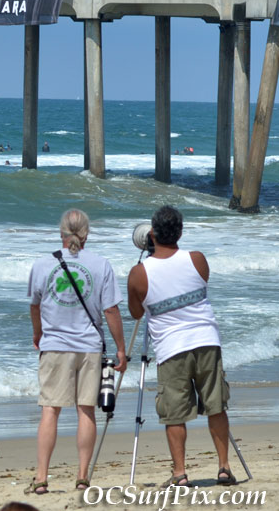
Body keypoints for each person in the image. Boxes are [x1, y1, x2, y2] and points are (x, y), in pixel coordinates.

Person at [127, 206, 235, 488]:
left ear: (152, 233)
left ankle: (180, 472)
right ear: (181, 232)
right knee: (216, 406)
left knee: (175, 412)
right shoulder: (197, 260)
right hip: (206, 340)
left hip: (171, 347)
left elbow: (137, 313)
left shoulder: (139, 273)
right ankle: (224, 467)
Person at [26, 209, 127, 494]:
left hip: (55, 345)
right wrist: (120, 348)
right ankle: (82, 476)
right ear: (87, 234)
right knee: (86, 411)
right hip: (89, 346)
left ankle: (42, 477)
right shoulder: (100, 264)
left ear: (61, 233)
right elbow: (110, 310)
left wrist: (38, 333)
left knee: (50, 410)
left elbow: (35, 305)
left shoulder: (43, 264)